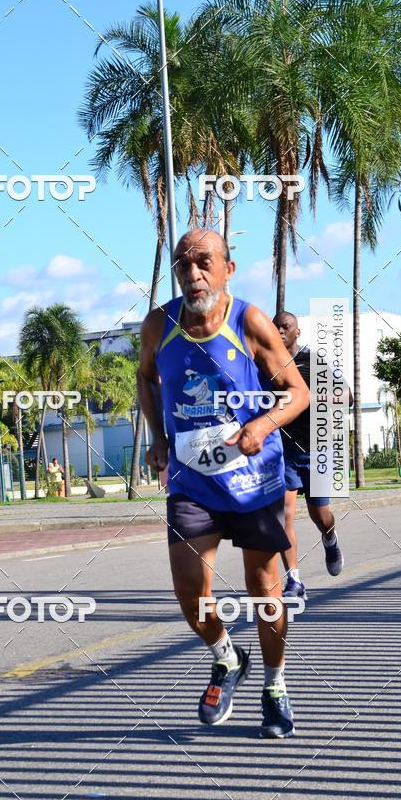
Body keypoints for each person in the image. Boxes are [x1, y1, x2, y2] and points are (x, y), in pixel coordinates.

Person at [138, 229, 309, 738]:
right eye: (184, 265)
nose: (194, 274)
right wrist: (158, 436)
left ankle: (276, 686)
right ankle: (228, 657)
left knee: (264, 590)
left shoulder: (250, 321)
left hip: (253, 480)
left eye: (204, 262)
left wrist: (261, 425)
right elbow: (146, 378)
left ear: (227, 269)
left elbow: (296, 393)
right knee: (191, 595)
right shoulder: (158, 325)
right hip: (192, 479)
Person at [272, 312, 351, 600]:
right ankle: (294, 581)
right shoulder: (268, 365)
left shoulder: (314, 363)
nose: (280, 331)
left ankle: (330, 538)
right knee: (283, 516)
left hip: (318, 448)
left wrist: (309, 397)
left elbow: (347, 397)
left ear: (297, 332)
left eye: (286, 327)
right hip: (284, 452)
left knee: (321, 514)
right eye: (275, 327)